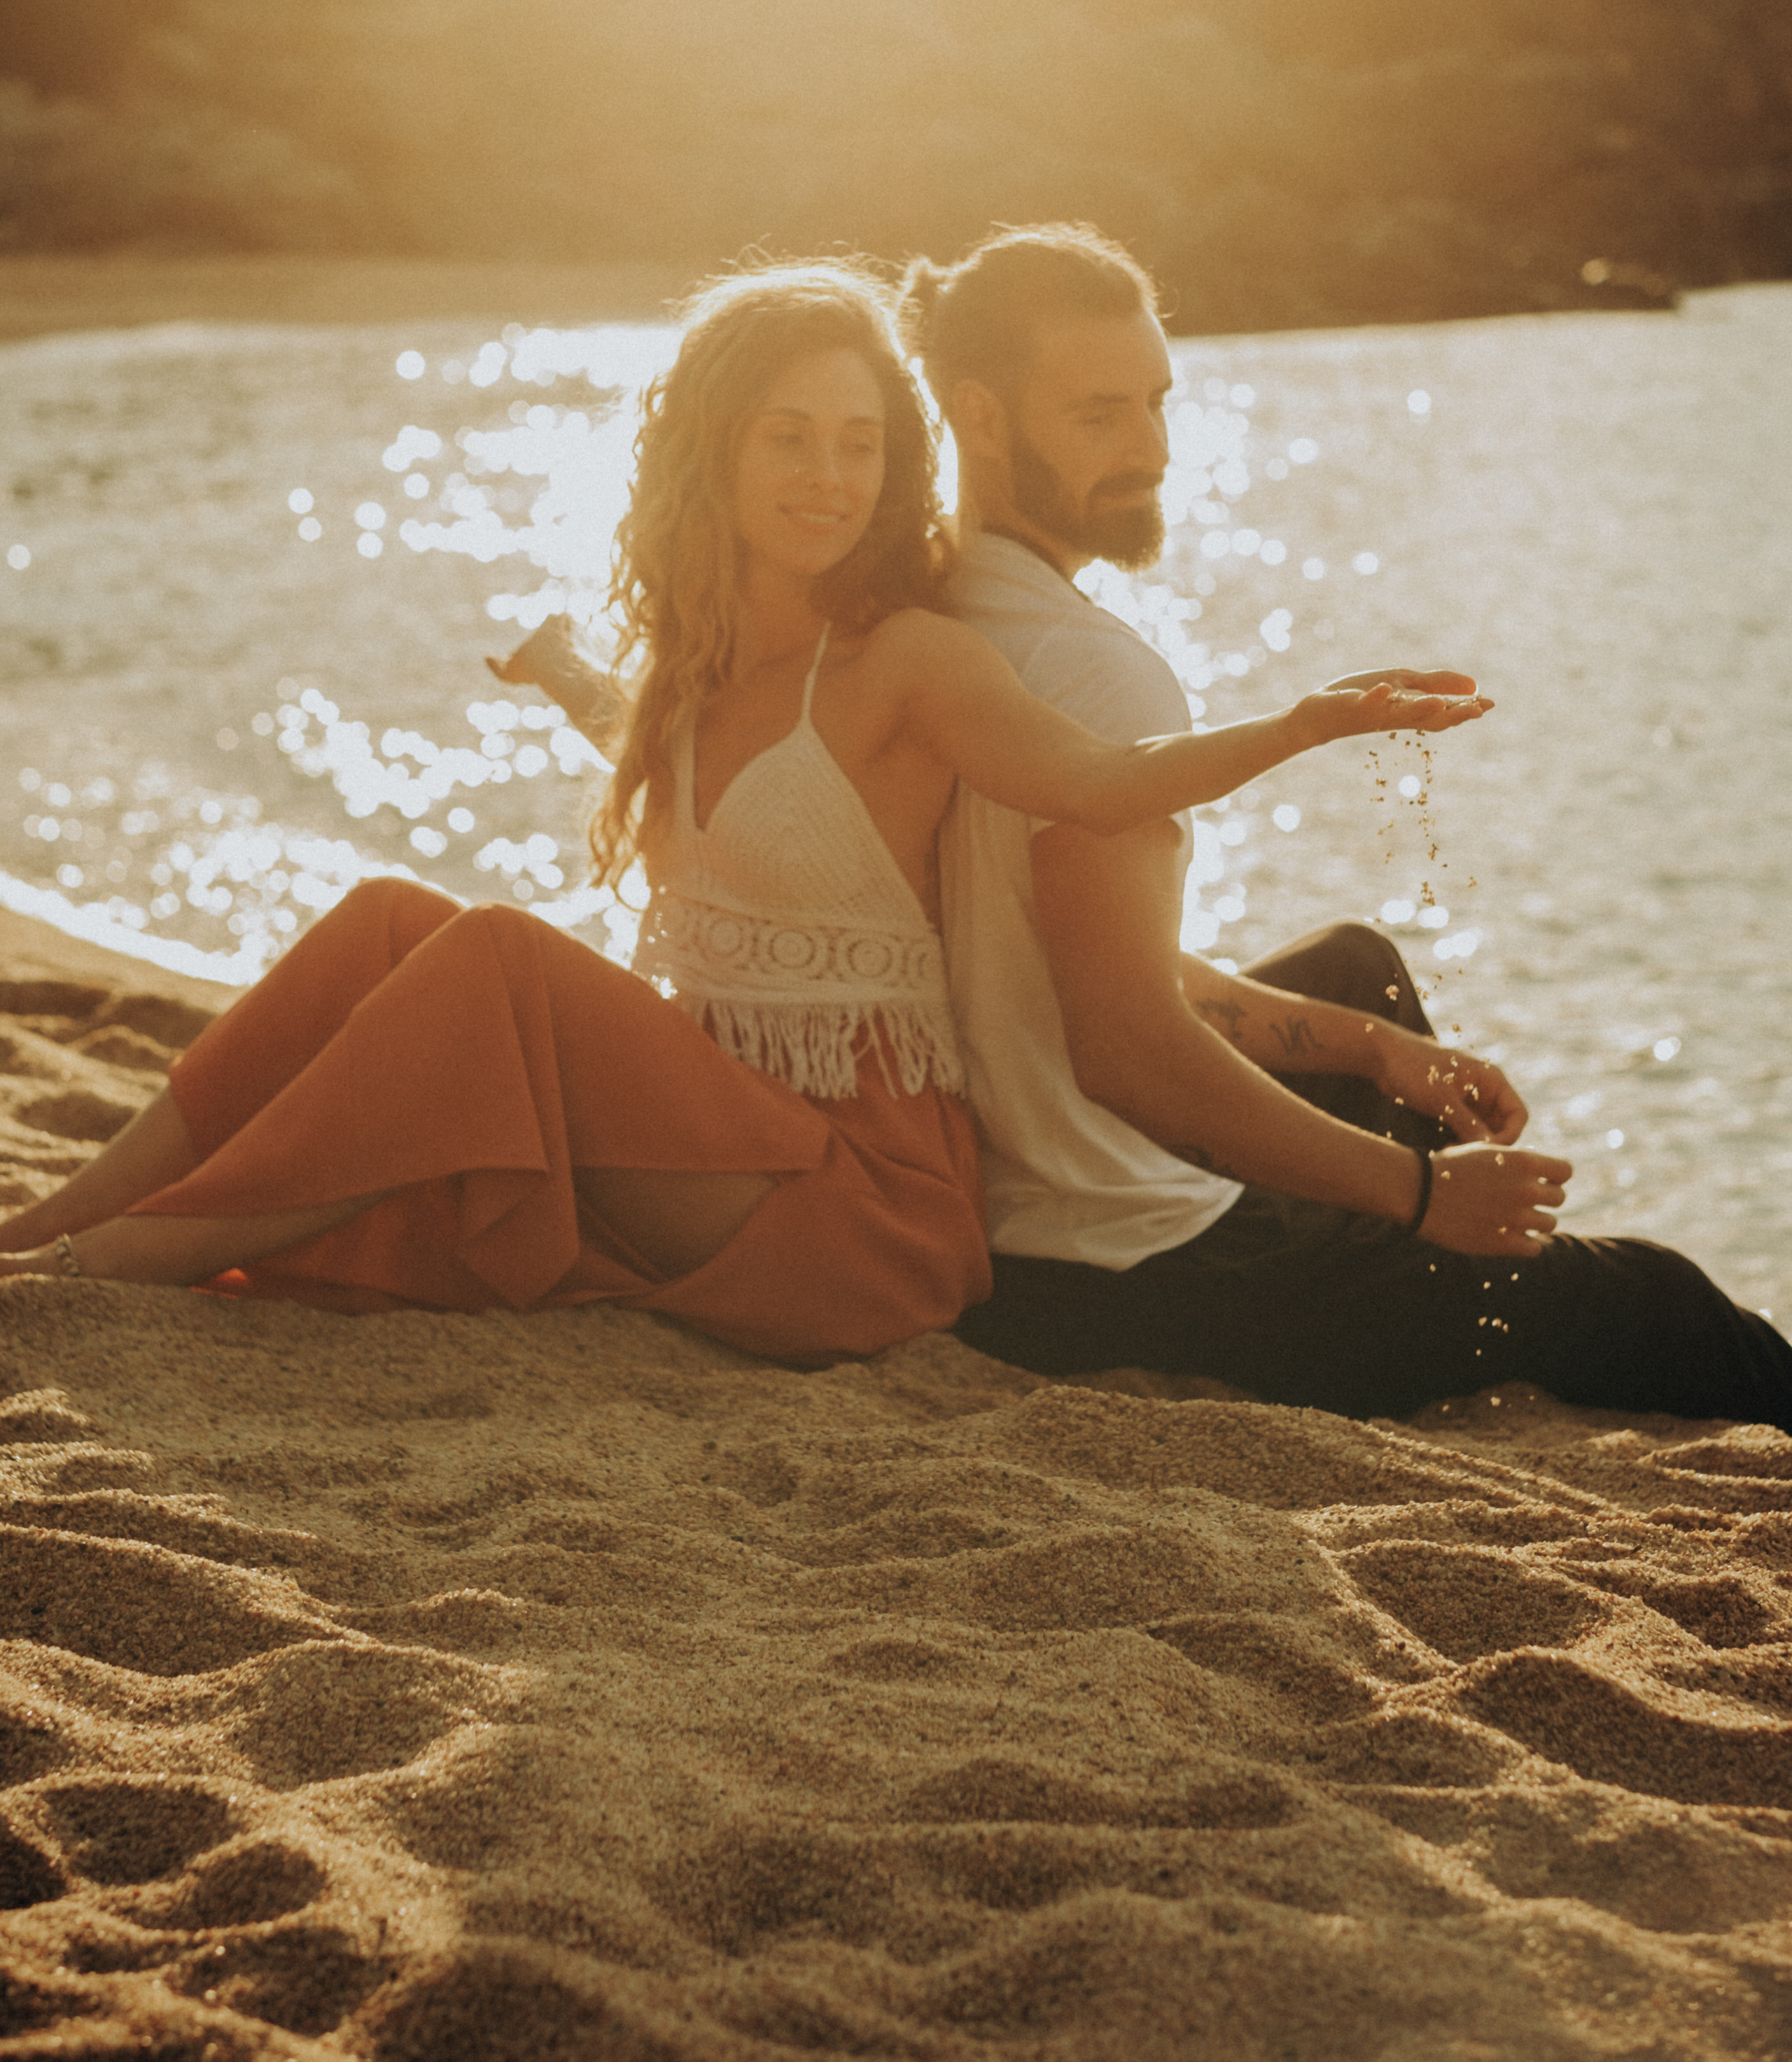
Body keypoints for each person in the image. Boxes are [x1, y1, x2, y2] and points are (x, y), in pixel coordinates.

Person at [0, 265, 1487, 1362]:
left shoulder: (911, 660)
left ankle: (115, 1268)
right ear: (713, 449)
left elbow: (1098, 781)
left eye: (858, 442)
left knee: (499, 959)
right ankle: (51, 1225)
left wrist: (1298, 727)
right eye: (790, 437)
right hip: (727, 1128)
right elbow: (690, 770)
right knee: (390, 920)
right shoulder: (698, 666)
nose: (829, 477)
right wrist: (565, 674)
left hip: (867, 1210)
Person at [902, 223, 1792, 1427]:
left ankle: (1455, 1276)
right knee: (1653, 1300)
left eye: (1157, 404)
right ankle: (1463, 1274)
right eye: (1099, 414)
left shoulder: (928, 617)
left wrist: (1368, 1049)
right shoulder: (1095, 673)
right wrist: (1420, 1191)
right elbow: (1125, 1050)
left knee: (1353, 972)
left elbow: (1063, 957)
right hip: (1108, 1262)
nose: (1149, 449)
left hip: (1006, 1208)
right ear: (981, 417)